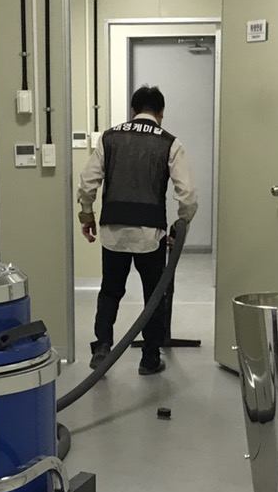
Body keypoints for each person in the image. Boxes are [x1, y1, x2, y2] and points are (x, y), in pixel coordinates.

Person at [76, 84, 199, 376]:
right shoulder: (170, 143)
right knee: (154, 296)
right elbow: (188, 195)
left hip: (113, 231)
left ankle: (102, 347)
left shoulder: (110, 137)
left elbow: (87, 181)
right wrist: (180, 224)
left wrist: (86, 214)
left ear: (132, 110)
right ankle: (149, 358)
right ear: (161, 113)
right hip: (150, 235)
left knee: (110, 291)